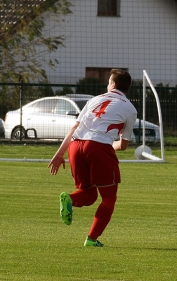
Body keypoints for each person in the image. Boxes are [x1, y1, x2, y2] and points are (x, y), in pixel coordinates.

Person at [48, 69, 137, 247]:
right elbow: (124, 144)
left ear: (112, 84)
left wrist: (59, 154)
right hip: (98, 147)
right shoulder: (129, 108)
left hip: (75, 146)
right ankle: (92, 239)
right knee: (109, 198)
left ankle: (70, 199)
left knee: (89, 194)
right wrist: (105, 147)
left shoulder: (94, 100)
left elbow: (74, 128)